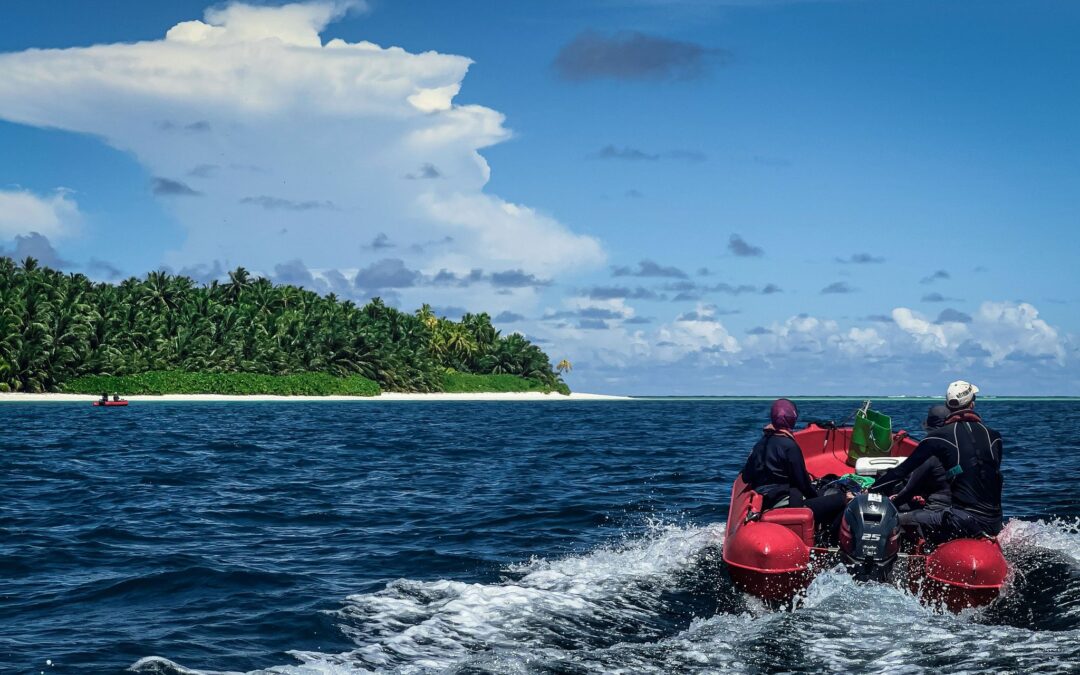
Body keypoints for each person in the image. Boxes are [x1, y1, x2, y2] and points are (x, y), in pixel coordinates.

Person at [873, 381, 1003, 542]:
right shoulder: (995, 436)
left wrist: (871, 491)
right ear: (972, 404)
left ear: (948, 406)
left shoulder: (938, 436)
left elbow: (901, 472)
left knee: (890, 519)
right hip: (995, 521)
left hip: (961, 521)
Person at [742, 398, 848, 535]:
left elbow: (746, 477)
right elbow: (803, 485)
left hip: (765, 502)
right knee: (842, 499)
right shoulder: (789, 446)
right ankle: (830, 540)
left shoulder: (759, 445)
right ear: (792, 419)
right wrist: (818, 497)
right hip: (786, 504)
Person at [891, 405, 952, 535]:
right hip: (956, 510)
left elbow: (909, 491)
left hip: (937, 512)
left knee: (891, 517)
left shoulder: (929, 454)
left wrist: (889, 502)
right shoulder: (957, 451)